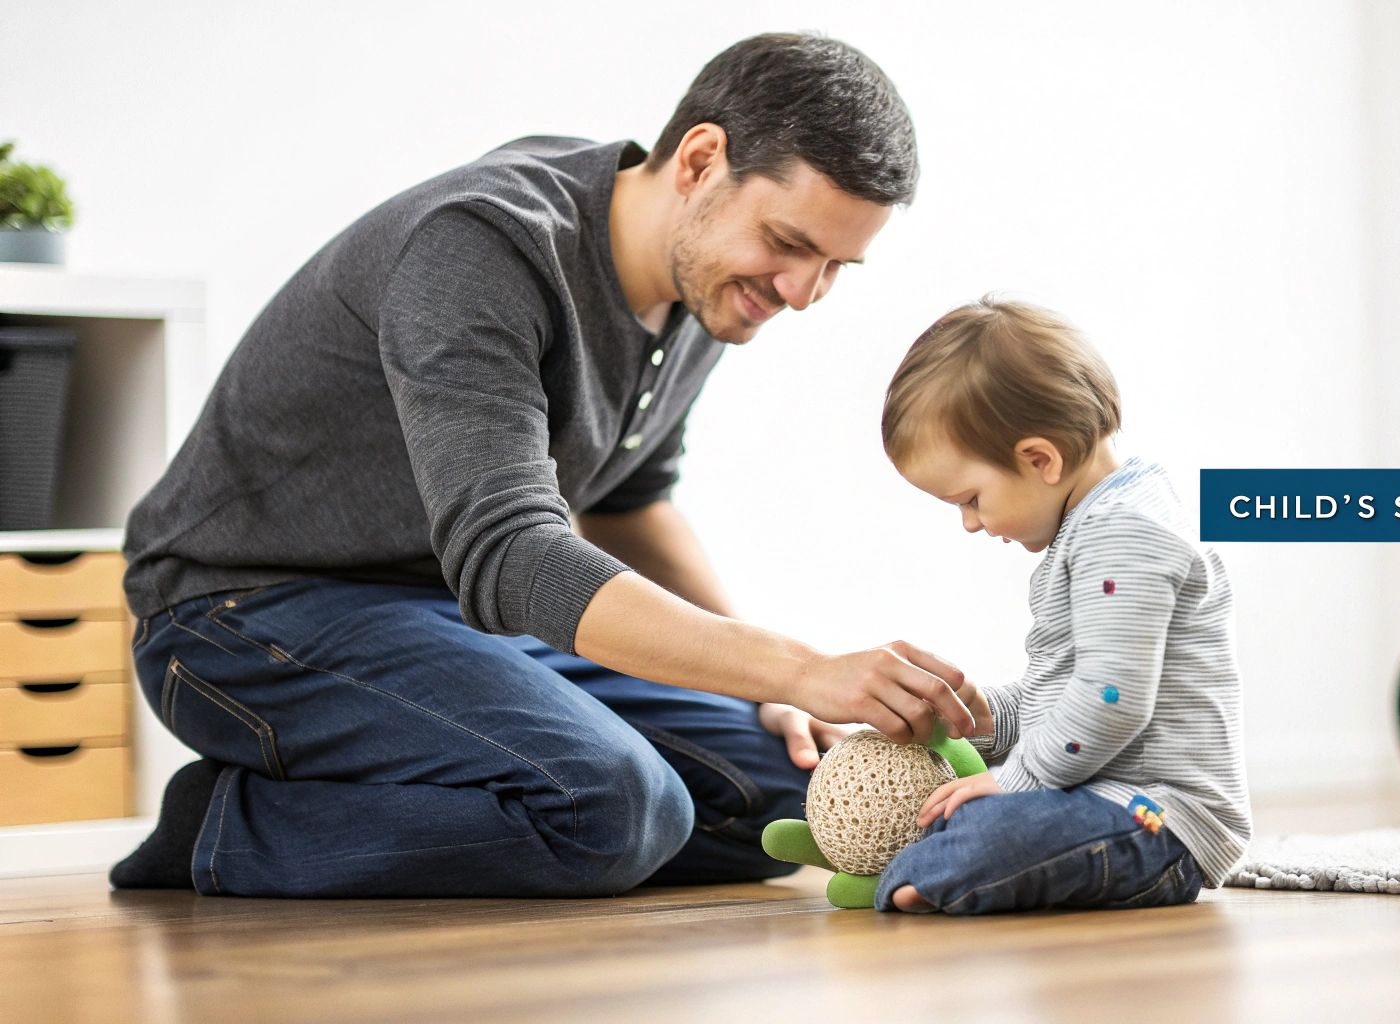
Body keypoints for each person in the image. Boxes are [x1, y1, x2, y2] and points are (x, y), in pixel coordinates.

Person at [111, 32, 981, 899]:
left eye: (834, 265)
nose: (801, 292)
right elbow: (514, 558)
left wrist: (776, 692)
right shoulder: (482, 247)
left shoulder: (705, 286)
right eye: (788, 243)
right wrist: (792, 664)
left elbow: (628, 504)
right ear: (701, 159)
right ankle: (224, 827)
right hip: (239, 611)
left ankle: (501, 812)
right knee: (611, 808)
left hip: (446, 614)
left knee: (789, 800)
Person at [875, 297, 1251, 913]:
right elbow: (1071, 688)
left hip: (1160, 817)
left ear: (1038, 459)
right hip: (1101, 796)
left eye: (969, 499)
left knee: (993, 828)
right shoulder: (1095, 526)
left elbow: (1111, 699)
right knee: (967, 813)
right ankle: (937, 864)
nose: (970, 524)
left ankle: (936, 871)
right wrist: (986, 718)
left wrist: (1015, 781)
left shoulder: (1125, 532)